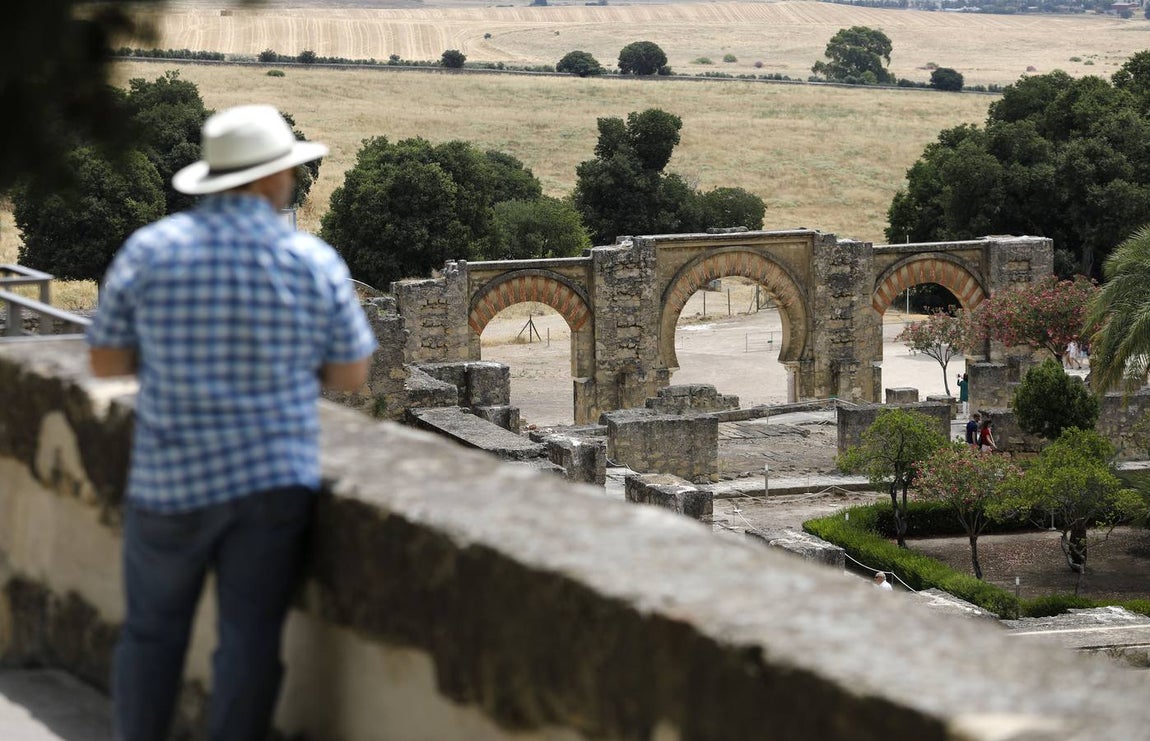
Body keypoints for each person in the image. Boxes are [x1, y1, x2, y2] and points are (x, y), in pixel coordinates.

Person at [86, 105, 377, 741]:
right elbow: (352, 374)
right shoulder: (312, 261)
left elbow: (106, 362)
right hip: (270, 480)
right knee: (248, 643)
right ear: (273, 180)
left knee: (150, 633)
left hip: (170, 477)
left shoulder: (150, 250)